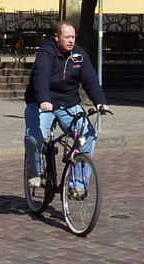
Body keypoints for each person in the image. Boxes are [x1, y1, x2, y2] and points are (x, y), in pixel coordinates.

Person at [24, 21, 109, 192]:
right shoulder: (46, 52)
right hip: (42, 103)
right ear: (56, 37)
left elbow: (90, 80)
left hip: (68, 103)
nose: (71, 41)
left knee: (89, 136)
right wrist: (43, 100)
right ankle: (34, 171)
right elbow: (40, 78)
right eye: (67, 37)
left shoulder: (79, 55)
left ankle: (77, 184)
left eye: (73, 37)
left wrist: (100, 101)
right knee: (34, 137)